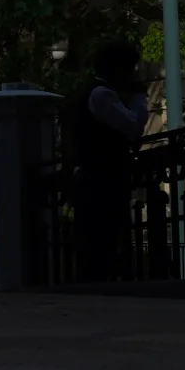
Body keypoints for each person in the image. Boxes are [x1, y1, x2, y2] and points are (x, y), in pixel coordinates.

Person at [68, 40, 149, 282]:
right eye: (130, 69)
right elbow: (134, 125)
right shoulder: (102, 94)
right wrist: (139, 97)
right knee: (103, 237)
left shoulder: (96, 93)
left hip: (98, 178)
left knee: (100, 238)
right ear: (118, 69)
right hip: (102, 179)